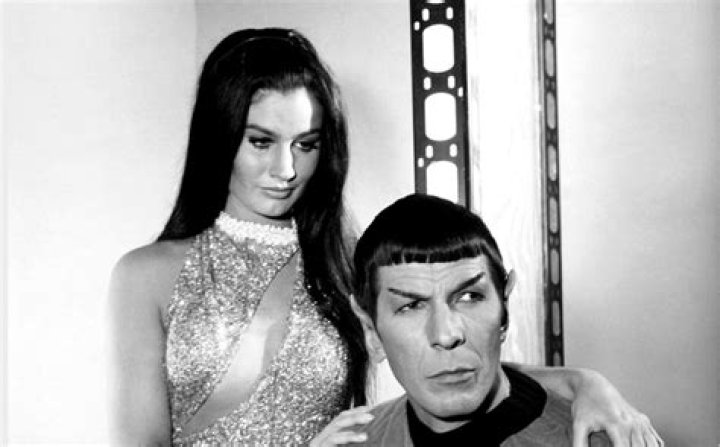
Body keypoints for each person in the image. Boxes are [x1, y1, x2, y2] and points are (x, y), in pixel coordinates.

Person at [109, 28, 661, 446]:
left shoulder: (348, 262)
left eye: (306, 144)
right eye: (260, 141)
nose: (286, 169)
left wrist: (581, 384)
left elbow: (449, 366)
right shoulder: (147, 275)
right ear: (220, 135)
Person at [348, 194, 662, 446]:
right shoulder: (355, 441)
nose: (446, 334)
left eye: (469, 297)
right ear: (371, 332)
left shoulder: (596, 438)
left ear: (504, 308)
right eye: (411, 306)